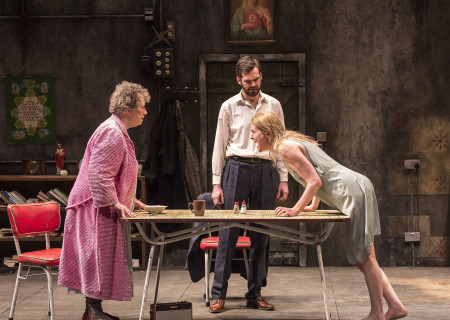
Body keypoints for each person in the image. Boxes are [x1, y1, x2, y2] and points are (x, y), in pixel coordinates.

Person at [250, 111, 408, 320]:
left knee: (364, 257)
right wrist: (313, 205)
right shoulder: (290, 141)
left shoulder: (285, 147)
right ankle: (395, 307)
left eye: (254, 132)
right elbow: (318, 172)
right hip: (355, 187)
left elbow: (315, 180)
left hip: (351, 191)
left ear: (267, 133)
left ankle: (377, 314)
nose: (251, 136)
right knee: (365, 257)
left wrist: (295, 209)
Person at [58, 81, 150, 320]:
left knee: (97, 257)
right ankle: (94, 312)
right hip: (94, 205)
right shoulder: (112, 131)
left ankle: (92, 311)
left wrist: (131, 200)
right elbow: (99, 174)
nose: (145, 112)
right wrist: (115, 202)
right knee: (95, 257)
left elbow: (113, 173)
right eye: (141, 107)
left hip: (97, 203)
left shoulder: (117, 130)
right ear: (128, 108)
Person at [209, 56, 289, 313]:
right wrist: (216, 184)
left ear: (260, 76)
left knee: (261, 236)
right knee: (227, 234)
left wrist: (283, 177)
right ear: (238, 80)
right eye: (247, 81)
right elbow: (219, 146)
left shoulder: (274, 105)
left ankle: (254, 294)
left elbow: (281, 143)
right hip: (236, 168)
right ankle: (218, 295)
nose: (253, 84)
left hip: (265, 169)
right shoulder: (228, 106)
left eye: (256, 79)